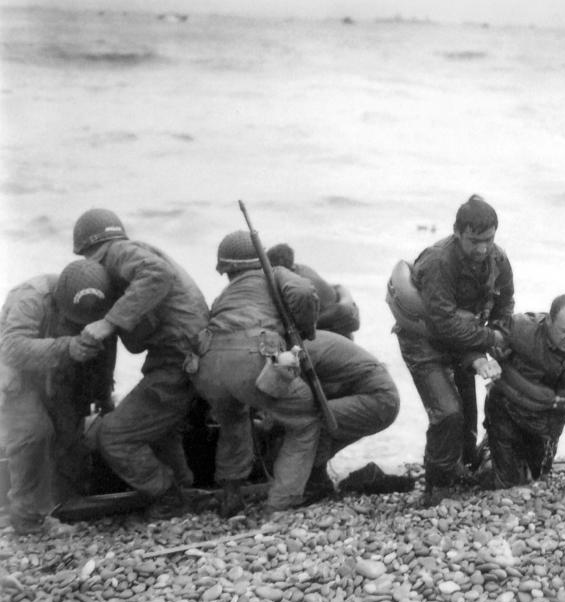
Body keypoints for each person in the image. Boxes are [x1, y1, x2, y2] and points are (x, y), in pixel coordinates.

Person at [194, 231, 399, 516]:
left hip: (208, 365)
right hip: (253, 357)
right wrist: (304, 330)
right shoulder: (274, 274)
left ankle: (231, 496)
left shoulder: (224, 297)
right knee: (306, 421)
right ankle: (281, 503)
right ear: (261, 258)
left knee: (233, 421)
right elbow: (303, 292)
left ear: (226, 269)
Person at [72, 208, 210, 518]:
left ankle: (169, 496)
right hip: (181, 355)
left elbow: (156, 274)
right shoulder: (130, 254)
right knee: (159, 428)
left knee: (114, 436)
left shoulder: (119, 253)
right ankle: (184, 489)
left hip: (177, 359)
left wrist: (108, 323)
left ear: (88, 249)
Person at [388, 194, 514, 506]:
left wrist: (499, 330)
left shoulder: (497, 259)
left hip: (467, 338)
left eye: (489, 239)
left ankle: (463, 466)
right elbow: (442, 324)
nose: (482, 247)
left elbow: (505, 301)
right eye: (474, 240)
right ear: (457, 232)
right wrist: (488, 341)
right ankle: (436, 485)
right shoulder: (438, 262)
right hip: (424, 341)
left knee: (468, 414)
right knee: (447, 412)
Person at [0, 260, 116, 536]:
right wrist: (69, 346)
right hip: (13, 367)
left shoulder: (101, 304)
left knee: (69, 434)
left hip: (59, 366)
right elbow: (12, 348)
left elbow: (106, 345)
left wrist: (102, 393)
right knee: (34, 432)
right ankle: (28, 518)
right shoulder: (30, 298)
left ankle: (63, 503)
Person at [480, 294, 565, 489]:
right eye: (564, 331)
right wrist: (485, 360)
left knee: (537, 475)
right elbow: (480, 337)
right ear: (549, 321)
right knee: (508, 482)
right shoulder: (521, 328)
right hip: (508, 412)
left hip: (548, 421)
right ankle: (488, 451)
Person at [266, 243, 361, 338]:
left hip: (335, 321)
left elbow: (303, 320)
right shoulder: (300, 268)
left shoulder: (298, 283)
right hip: (340, 313)